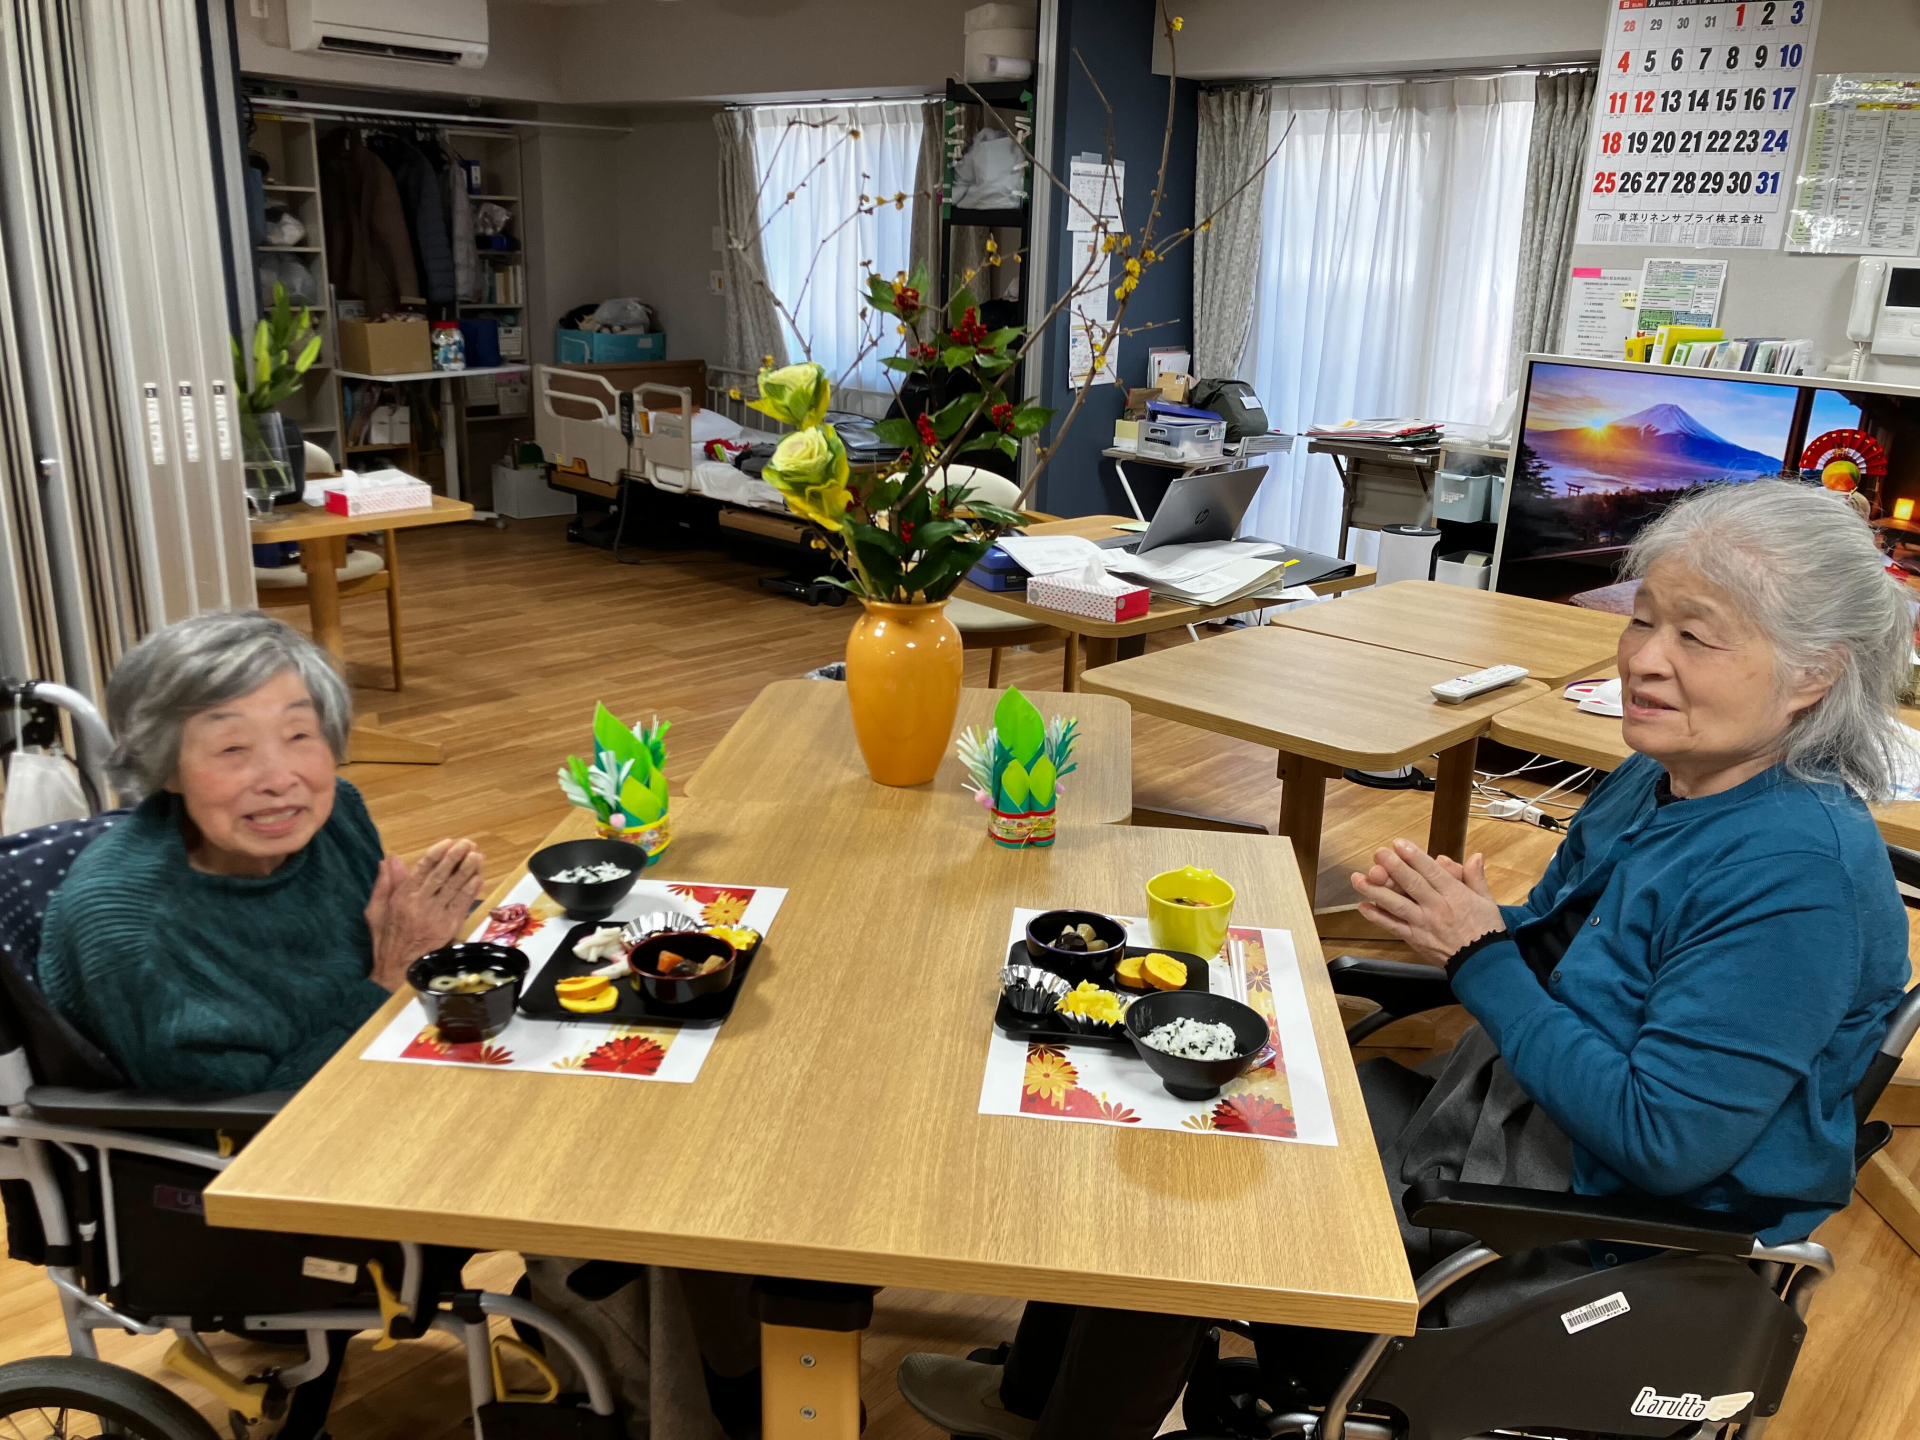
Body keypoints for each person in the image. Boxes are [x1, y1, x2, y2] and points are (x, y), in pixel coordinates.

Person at [897, 479, 1912, 1440]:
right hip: (1494, 1124)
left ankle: (1068, 1419)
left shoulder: (1796, 877)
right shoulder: (1662, 780)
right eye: (1643, 618)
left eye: (1695, 635)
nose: (1645, 658)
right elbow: (1570, 947)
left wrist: (1476, 949)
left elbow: (1663, 1141)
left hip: (1583, 1232)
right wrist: (1458, 918)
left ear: (1813, 674)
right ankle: (1034, 1397)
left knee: (1189, 1191)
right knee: (1175, 1105)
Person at [34, 612, 758, 1440]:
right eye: (231, 748)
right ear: (164, 763)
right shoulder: (130, 926)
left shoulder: (335, 813)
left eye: (301, 735)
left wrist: (417, 962)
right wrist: (394, 974)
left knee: (654, 1111)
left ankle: (725, 1365)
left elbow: (392, 982)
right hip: (256, 1170)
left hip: (379, 1083)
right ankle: (671, 1411)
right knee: (594, 1177)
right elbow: (248, 1124)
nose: (281, 777)